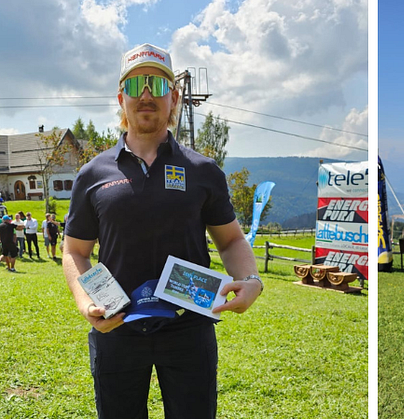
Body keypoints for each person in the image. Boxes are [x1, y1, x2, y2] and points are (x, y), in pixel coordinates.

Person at [62, 43, 263, 419]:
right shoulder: (92, 174)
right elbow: (74, 250)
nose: (145, 95)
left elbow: (232, 240)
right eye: (135, 85)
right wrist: (84, 301)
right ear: (120, 98)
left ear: (174, 96)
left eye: (156, 85)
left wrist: (250, 278)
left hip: (190, 330)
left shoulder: (204, 171)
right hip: (117, 329)